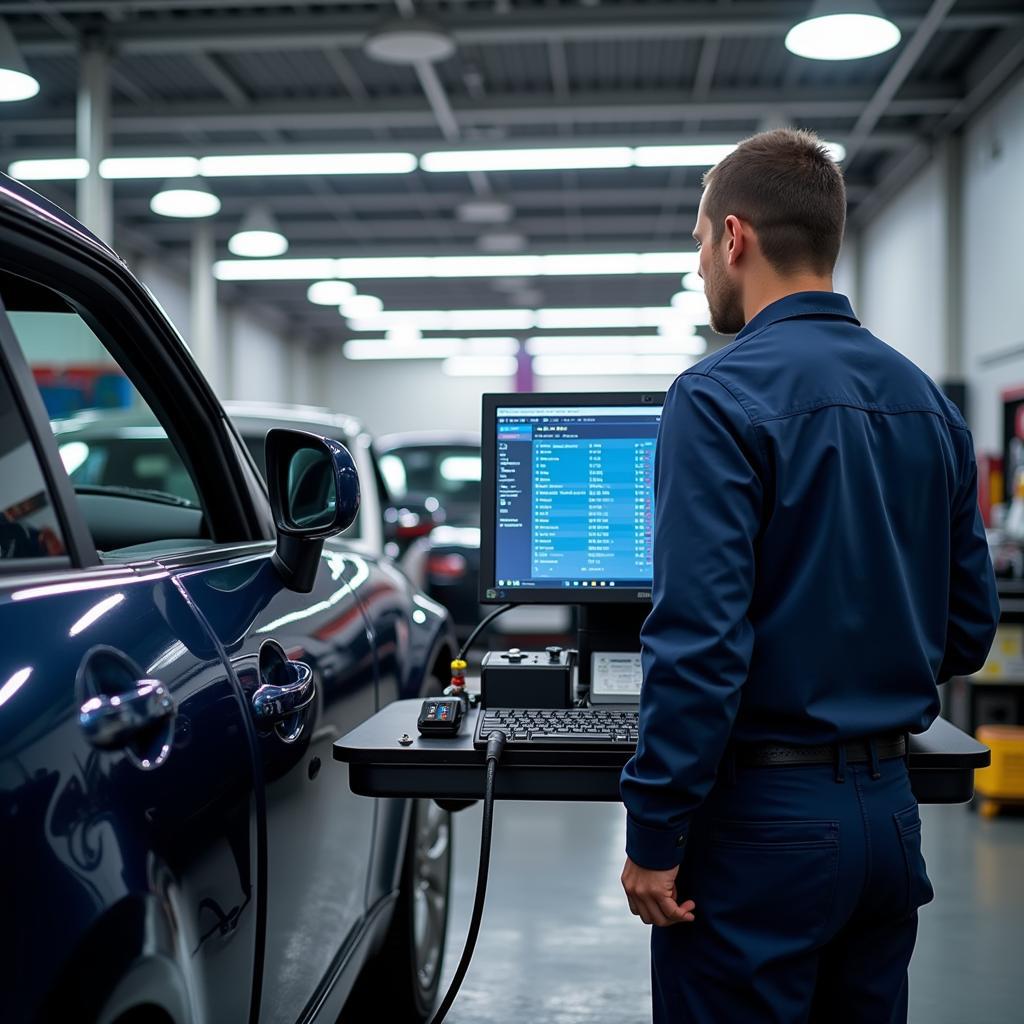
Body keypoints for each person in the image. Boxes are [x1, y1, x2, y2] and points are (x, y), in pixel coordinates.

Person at [619, 128, 999, 1023]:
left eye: (700, 243)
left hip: (760, 833)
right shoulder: (929, 405)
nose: (702, 267)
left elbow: (700, 643)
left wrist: (656, 832)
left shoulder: (714, 397)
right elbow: (969, 631)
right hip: (887, 823)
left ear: (735, 238)